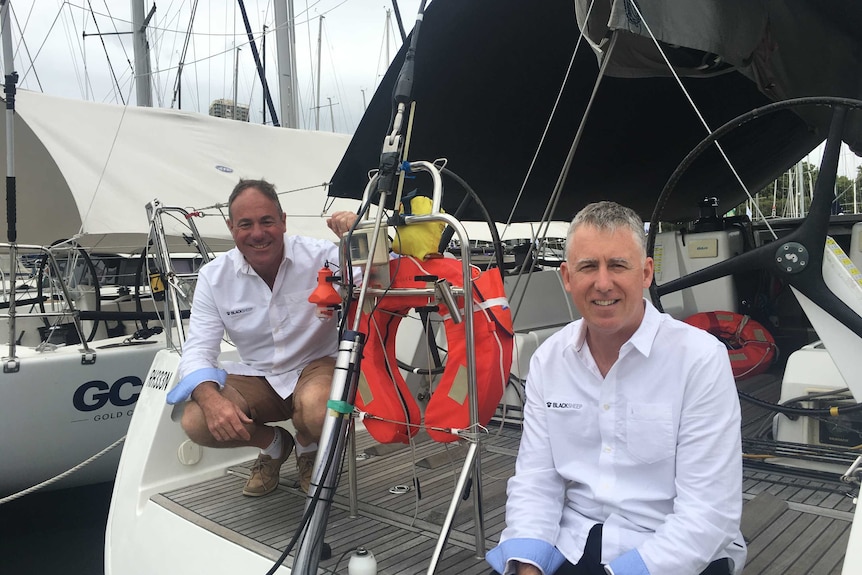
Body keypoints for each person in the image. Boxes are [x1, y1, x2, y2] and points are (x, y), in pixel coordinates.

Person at [486, 201, 746, 575]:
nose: (603, 283)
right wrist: (529, 566)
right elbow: (536, 481)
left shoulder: (700, 360)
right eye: (588, 266)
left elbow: (709, 512)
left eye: (618, 265)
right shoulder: (548, 361)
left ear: (645, 272)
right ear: (567, 277)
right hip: (575, 538)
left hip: (675, 550)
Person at [166, 178, 358, 497]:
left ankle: (307, 446)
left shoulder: (323, 256)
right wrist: (211, 398)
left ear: (283, 221)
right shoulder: (214, 278)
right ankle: (273, 445)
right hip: (259, 375)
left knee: (321, 411)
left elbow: (380, 275)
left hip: (316, 366)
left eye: (267, 221)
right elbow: (198, 348)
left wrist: (358, 235)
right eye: (246, 224)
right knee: (196, 419)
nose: (257, 233)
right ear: (231, 227)